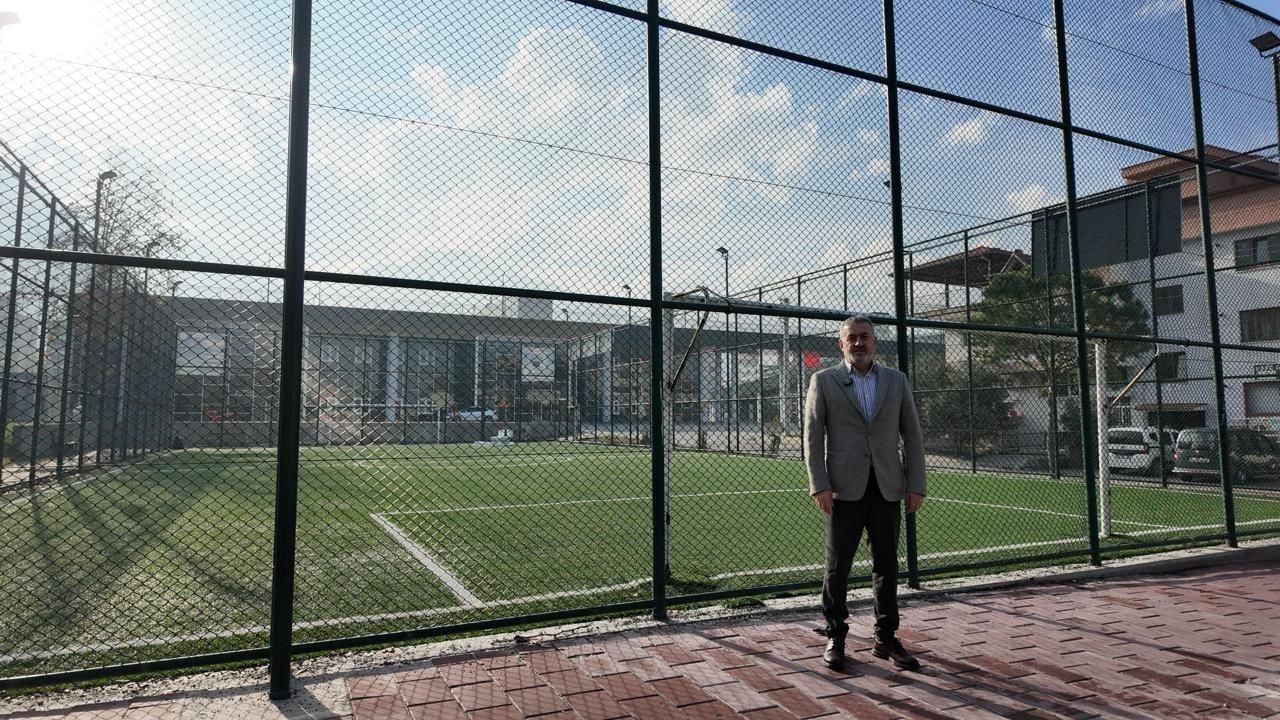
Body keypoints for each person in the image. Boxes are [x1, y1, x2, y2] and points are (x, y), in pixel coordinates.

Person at [804, 314, 926, 671]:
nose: (859, 343)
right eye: (852, 337)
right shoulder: (824, 380)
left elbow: (913, 435)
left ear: (875, 341)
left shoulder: (896, 380)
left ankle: (885, 638)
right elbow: (812, 436)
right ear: (841, 343)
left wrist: (915, 484)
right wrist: (820, 483)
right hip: (842, 491)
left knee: (886, 566)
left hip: (887, 487)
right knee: (837, 568)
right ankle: (835, 635)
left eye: (865, 336)